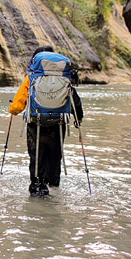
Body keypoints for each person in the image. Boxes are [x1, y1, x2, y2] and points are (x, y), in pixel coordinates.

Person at [8, 46, 83, 197]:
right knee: (55, 155)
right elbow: (75, 100)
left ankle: (37, 187)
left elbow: (17, 105)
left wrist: (12, 110)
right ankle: (54, 184)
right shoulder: (64, 77)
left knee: (37, 156)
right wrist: (78, 118)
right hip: (58, 124)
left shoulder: (32, 77)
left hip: (36, 124)